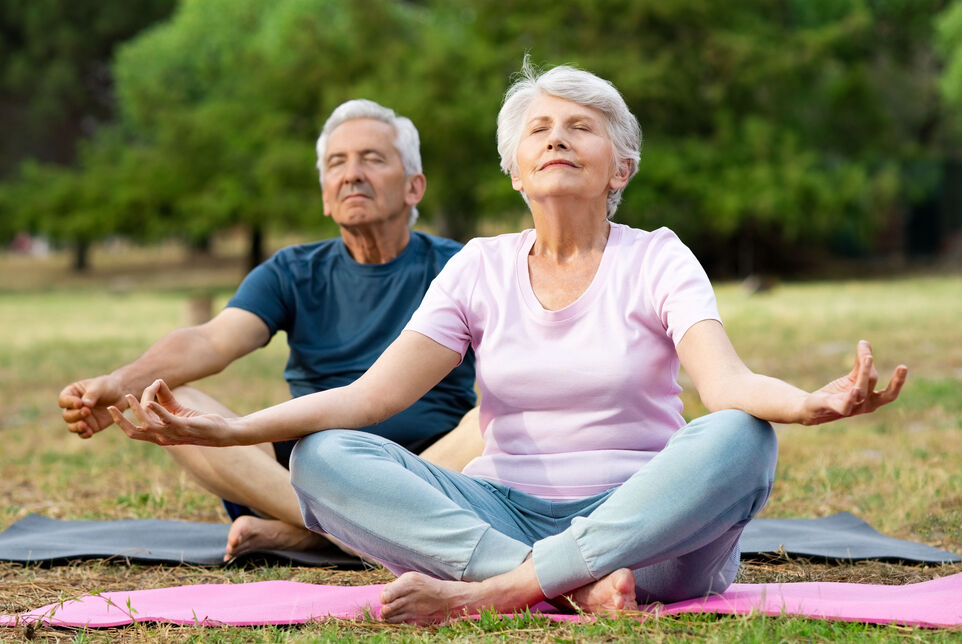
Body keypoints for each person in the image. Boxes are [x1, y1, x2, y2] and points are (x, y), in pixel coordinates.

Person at [109, 62, 907, 623]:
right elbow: (369, 399)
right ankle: (552, 582)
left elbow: (725, 386)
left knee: (741, 438)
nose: (557, 137)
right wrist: (234, 428)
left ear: (619, 163)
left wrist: (809, 403)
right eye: (539, 128)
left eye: (581, 128)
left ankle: (502, 591)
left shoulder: (658, 255)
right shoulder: (480, 267)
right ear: (515, 168)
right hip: (505, 516)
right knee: (325, 455)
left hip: (649, 531)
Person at [59, 99, 479, 560]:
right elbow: (211, 340)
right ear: (325, 194)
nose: (352, 174)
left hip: (431, 466)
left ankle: (310, 534)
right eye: (337, 163)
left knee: (490, 422)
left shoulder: (462, 266)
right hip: (309, 470)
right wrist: (120, 383)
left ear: (414, 187)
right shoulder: (292, 271)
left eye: (372, 159)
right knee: (166, 400)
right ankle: (352, 532)